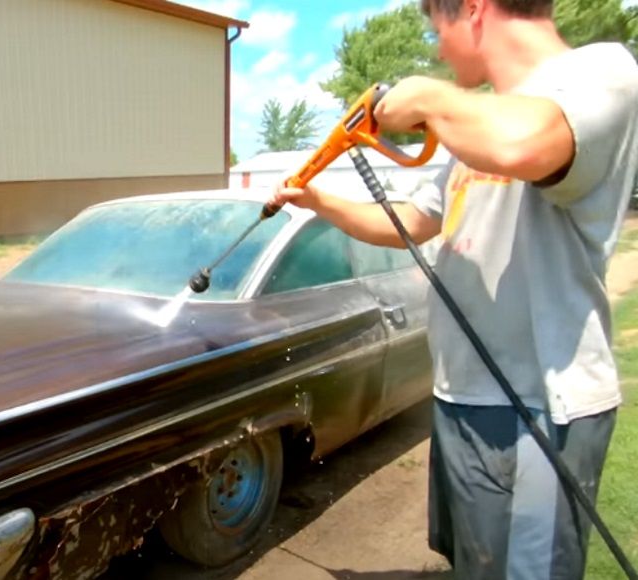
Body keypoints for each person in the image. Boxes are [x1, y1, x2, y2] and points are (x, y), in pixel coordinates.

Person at [269, 0, 638, 578]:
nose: (438, 49)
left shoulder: (603, 71)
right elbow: (415, 222)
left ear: (473, 10)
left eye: (437, 30)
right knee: (474, 565)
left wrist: (431, 97)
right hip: (463, 393)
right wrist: (318, 201)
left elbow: (525, 148)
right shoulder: (480, 121)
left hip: (541, 407)